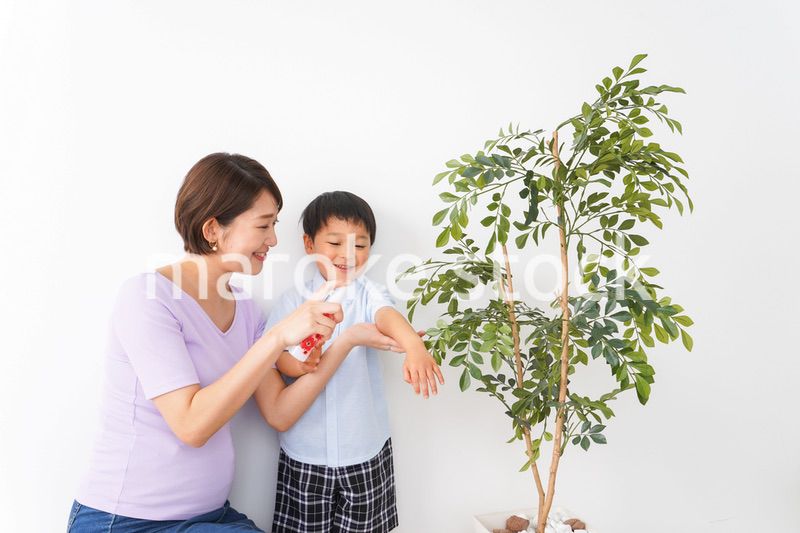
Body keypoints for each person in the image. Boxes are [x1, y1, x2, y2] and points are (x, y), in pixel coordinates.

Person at [67, 154, 403, 532]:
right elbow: (192, 425)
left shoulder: (245, 311)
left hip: (210, 516)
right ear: (213, 229)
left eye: (274, 224)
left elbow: (279, 412)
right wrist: (277, 339)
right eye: (263, 225)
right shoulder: (147, 298)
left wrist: (346, 342)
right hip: (127, 521)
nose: (274, 240)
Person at [266, 191, 445, 533]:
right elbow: (278, 361)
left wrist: (414, 347)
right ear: (309, 243)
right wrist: (302, 366)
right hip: (305, 455)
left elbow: (388, 316)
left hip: (363, 452)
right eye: (334, 242)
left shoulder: (368, 293)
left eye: (360, 245)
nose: (348, 254)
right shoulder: (292, 302)